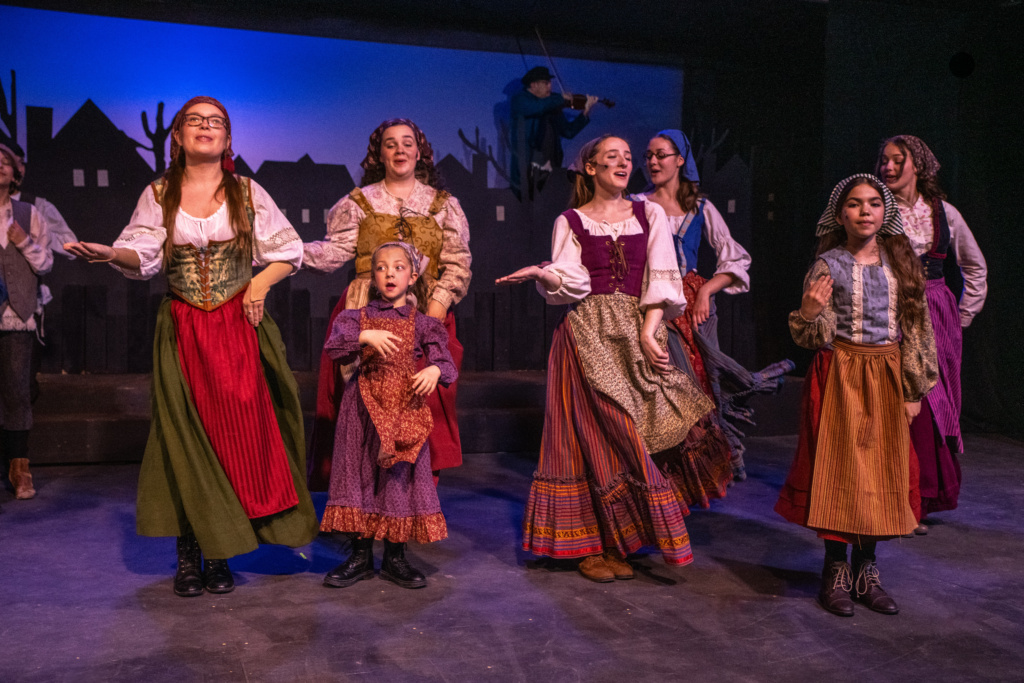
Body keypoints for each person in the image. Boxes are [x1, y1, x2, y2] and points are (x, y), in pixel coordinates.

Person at [65, 96, 317, 597]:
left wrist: (258, 285)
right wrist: (110, 253)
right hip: (183, 328)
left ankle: (220, 552)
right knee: (184, 436)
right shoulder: (159, 193)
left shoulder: (247, 192)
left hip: (238, 329)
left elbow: (288, 252)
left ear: (228, 138)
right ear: (177, 136)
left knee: (233, 437)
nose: (206, 127)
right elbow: (142, 255)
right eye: (195, 121)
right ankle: (188, 553)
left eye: (216, 121)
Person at [498, 135, 716, 582]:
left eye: (628, 157)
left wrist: (650, 331)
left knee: (632, 431)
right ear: (591, 168)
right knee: (587, 436)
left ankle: (620, 541)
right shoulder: (571, 220)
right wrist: (543, 273)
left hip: (634, 331)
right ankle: (590, 546)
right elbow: (571, 281)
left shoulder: (648, 213)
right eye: (612, 156)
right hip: (585, 335)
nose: (624, 162)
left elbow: (662, 276)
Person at [774, 174, 938, 617]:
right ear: (840, 215)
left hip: (886, 373)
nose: (865, 210)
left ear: (886, 213)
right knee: (839, 470)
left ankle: (867, 568)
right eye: (854, 203)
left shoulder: (902, 264)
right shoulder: (828, 265)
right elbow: (814, 335)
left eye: (873, 203)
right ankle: (835, 570)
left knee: (880, 473)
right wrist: (808, 314)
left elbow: (917, 328)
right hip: (841, 373)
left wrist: (913, 389)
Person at [304, 118, 471, 491]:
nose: (400, 150)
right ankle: (363, 496)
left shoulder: (444, 205)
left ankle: (412, 497)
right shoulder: (359, 202)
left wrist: (436, 309)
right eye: (391, 143)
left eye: (407, 142)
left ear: (419, 151)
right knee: (363, 403)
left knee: (419, 401)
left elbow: (458, 263)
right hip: (367, 310)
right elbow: (334, 252)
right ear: (379, 154)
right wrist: (287, 253)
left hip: (426, 311)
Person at [640, 129, 794, 481]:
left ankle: (707, 460)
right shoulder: (637, 204)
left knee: (700, 379)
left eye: (661, 154)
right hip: (649, 299)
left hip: (688, 300)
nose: (652, 162)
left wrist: (707, 291)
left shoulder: (700, 208)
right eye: (648, 155)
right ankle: (662, 466)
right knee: (658, 381)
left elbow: (736, 260)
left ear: (680, 160)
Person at [319, 241, 457, 590]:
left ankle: (395, 556)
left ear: (412, 277)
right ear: (373, 277)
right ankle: (360, 555)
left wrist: (434, 371)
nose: (389, 274)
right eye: (381, 268)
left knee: (398, 478)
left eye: (398, 267)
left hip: (402, 409)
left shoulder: (422, 323)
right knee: (360, 475)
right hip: (362, 409)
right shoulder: (355, 318)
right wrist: (364, 335)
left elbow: (446, 364)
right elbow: (334, 348)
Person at [876, 136, 986, 530]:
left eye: (897, 160)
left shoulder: (944, 213)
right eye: (884, 160)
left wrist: (961, 316)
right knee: (900, 404)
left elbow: (975, 267)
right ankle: (899, 498)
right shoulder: (877, 209)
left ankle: (922, 497)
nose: (888, 167)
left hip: (936, 312)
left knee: (932, 406)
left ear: (918, 165)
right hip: (890, 310)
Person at [0, 142, 52, 500]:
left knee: (17, 391)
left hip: (15, 315)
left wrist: (22, 241)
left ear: (15, 172)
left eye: (5, 161)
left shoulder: (29, 214)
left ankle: (20, 468)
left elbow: (45, 263)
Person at [509, 66, 597, 199]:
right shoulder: (520, 100)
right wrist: (561, 99)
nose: (550, 86)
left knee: (548, 201)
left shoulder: (552, 106)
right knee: (526, 201)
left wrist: (585, 113)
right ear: (533, 84)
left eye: (550, 83)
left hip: (550, 167)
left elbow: (568, 131)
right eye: (546, 83)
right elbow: (538, 107)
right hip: (528, 166)